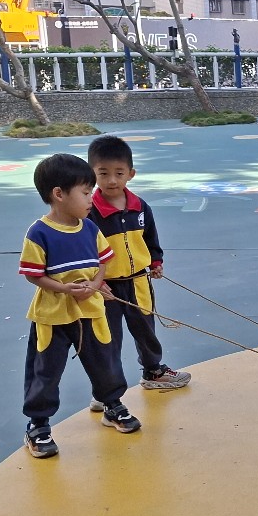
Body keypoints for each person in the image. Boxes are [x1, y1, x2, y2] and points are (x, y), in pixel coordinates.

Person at [19, 154, 140, 460]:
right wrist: (64, 289)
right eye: (86, 193)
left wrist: (96, 284)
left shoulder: (90, 229)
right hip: (53, 316)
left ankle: (112, 405)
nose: (91, 199)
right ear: (59, 194)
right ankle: (38, 425)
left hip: (90, 311)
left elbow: (103, 262)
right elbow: (34, 274)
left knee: (104, 360)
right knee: (46, 370)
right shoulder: (39, 232)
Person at [86, 135, 192, 401]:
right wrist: (96, 281)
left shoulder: (140, 207)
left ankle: (153, 371)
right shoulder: (89, 213)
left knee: (146, 329)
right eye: (103, 173)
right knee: (107, 338)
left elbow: (150, 238)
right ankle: (105, 390)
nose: (112, 180)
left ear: (131, 174)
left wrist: (155, 262)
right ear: (91, 174)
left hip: (138, 282)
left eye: (119, 173)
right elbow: (85, 251)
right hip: (106, 288)